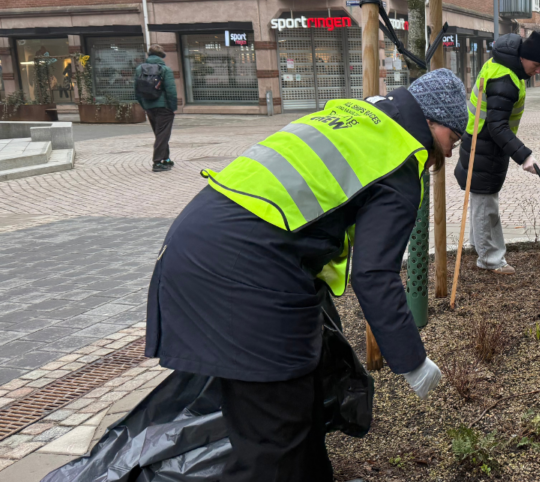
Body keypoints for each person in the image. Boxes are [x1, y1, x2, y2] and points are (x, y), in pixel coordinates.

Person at [144, 68, 467, 481]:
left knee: (299, 411)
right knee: (274, 442)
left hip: (201, 245)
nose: (451, 152)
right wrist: (413, 362)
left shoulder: (355, 115)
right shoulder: (402, 156)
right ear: (432, 121)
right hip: (241, 272)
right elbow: (374, 275)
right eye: (452, 139)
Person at [454, 30, 540, 274]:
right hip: (484, 146)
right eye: (536, 65)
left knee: (481, 200)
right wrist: (524, 155)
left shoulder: (504, 64)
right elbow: (497, 127)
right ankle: (490, 259)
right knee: (486, 203)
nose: (538, 70)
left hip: (482, 144)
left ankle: (480, 247)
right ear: (524, 57)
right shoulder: (505, 79)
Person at [134, 45, 177, 173]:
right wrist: (173, 107)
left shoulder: (139, 69)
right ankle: (157, 162)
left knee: (160, 134)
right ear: (161, 56)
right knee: (163, 135)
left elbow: (136, 90)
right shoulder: (165, 69)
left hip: (149, 107)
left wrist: (144, 105)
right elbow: (171, 91)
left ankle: (166, 159)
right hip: (164, 107)